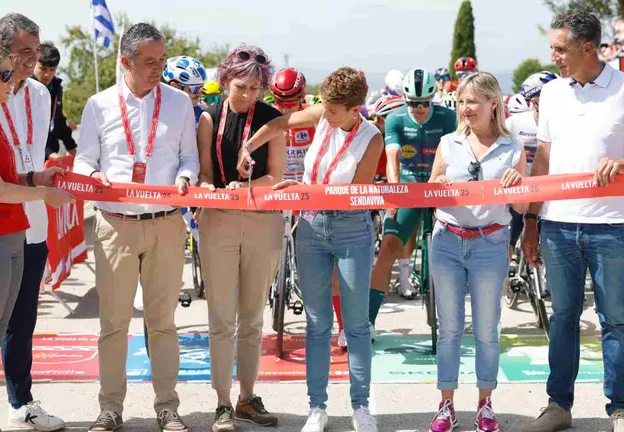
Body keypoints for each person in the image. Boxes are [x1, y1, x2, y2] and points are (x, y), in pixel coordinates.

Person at [521, 10, 624, 432]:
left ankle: (620, 411)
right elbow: (545, 161)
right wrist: (532, 220)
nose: (553, 56)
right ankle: (558, 407)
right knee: (563, 319)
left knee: (615, 321)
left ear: (587, 48)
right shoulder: (551, 94)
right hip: (556, 226)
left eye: (559, 48)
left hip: (611, 225)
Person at [240, 66, 384, 432]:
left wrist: (304, 190)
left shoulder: (372, 138)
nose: (326, 115)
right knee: (317, 324)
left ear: (356, 110)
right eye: (326, 108)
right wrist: (248, 146)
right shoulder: (324, 112)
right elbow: (278, 124)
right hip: (311, 226)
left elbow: (354, 195)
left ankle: (361, 406)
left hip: (351, 228)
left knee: (356, 325)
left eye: (335, 111)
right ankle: (317, 408)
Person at [73, 23, 200, 431]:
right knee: (114, 324)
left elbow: (189, 160)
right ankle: (110, 408)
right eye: (149, 62)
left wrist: (185, 178)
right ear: (125, 61)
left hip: (166, 225)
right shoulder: (98, 105)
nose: (157, 69)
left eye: (162, 60)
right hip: (116, 225)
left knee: (162, 322)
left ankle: (167, 406)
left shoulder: (180, 103)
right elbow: (82, 160)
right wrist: (93, 176)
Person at [0, 41, 74, 432]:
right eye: (6, 74)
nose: (13, 80)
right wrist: (43, 194)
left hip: (13, 236)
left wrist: (36, 179)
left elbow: (9, 180)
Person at [427, 71, 526, 432]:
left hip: (491, 243)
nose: (466, 108)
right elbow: (432, 187)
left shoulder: (513, 147)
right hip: (447, 242)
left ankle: (485, 404)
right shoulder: (447, 142)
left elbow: (523, 207)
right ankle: (446, 405)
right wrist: (436, 183)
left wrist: (517, 185)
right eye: (462, 101)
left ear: (493, 104)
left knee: (487, 329)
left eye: (473, 101)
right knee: (449, 329)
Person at [195, 44, 284, 432]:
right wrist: (211, 189)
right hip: (218, 221)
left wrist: (243, 186)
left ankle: (247, 397)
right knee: (220, 319)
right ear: (225, 80)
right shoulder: (207, 117)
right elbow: (202, 173)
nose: (248, 95)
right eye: (241, 86)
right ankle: (221, 403)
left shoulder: (272, 119)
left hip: (262, 220)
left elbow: (276, 176)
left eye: (255, 88)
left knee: (251, 317)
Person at [0, 13, 67, 431]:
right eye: (24, 52)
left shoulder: (41, 93)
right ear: (1, 50)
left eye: (35, 51)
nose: (31, 60)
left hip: (32, 221)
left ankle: (21, 403)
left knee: (22, 319)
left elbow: (35, 153)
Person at [370, 68, 456, 323]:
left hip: (439, 183)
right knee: (387, 249)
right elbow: (392, 158)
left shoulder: (447, 118)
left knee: (452, 251)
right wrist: (395, 192)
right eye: (414, 103)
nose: (419, 109)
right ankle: (368, 323)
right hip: (407, 183)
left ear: (432, 100)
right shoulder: (396, 119)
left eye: (425, 103)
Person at [504, 71, 556, 300]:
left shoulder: (566, 123)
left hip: (550, 191)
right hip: (520, 191)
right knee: (507, 238)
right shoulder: (515, 123)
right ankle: (501, 281)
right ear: (532, 102)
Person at [32, 42, 77, 161]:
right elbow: (29, 127)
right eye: (43, 69)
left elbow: (58, 121)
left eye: (52, 69)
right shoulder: (25, 87)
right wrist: (48, 152)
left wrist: (71, 146)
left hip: (52, 156)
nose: (47, 74)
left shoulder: (57, 87)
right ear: (33, 64)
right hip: (31, 155)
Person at [162, 55, 207, 123]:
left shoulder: (202, 114)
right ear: (175, 87)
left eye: (202, 87)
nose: (200, 94)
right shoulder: (158, 114)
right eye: (195, 88)